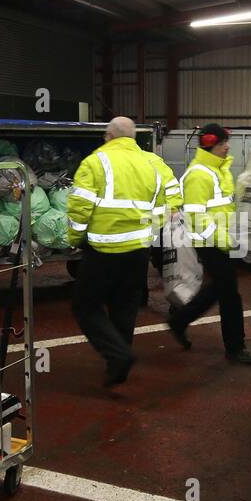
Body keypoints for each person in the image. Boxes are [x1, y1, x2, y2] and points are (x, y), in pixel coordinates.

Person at [67, 116, 165, 387]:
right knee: (125, 307)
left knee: (85, 305)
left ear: (109, 136)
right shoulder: (151, 165)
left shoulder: (95, 162)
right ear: (133, 138)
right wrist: (147, 236)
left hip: (104, 249)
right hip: (138, 250)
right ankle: (118, 365)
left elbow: (80, 207)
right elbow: (160, 208)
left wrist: (75, 237)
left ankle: (118, 355)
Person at [166, 124, 251, 366]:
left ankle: (180, 321)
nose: (227, 146)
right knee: (230, 293)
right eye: (222, 143)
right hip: (209, 241)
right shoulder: (199, 174)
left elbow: (224, 207)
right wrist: (225, 241)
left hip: (221, 239)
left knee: (220, 288)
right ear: (210, 145)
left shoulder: (220, 170)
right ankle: (235, 347)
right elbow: (197, 218)